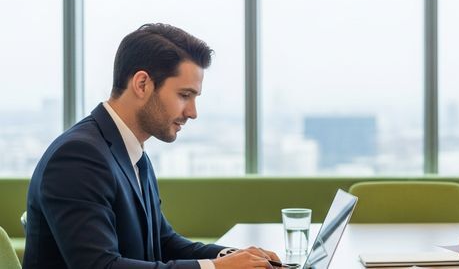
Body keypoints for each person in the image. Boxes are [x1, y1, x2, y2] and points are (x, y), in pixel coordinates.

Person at [25, 23, 281, 269]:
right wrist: (215, 268)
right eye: (184, 95)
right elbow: (100, 266)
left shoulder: (132, 152)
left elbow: (162, 241)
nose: (192, 112)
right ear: (142, 84)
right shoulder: (78, 157)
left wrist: (236, 258)